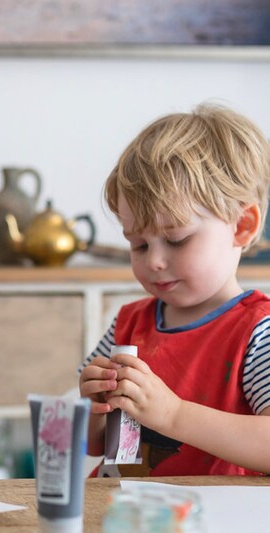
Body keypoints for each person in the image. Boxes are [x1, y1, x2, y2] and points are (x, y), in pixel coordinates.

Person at [79, 103, 270, 476]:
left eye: (177, 240)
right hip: (120, 512)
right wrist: (94, 406)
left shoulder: (258, 333)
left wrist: (173, 414)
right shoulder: (128, 322)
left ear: (242, 226)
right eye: (139, 245)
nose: (154, 262)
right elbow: (98, 445)